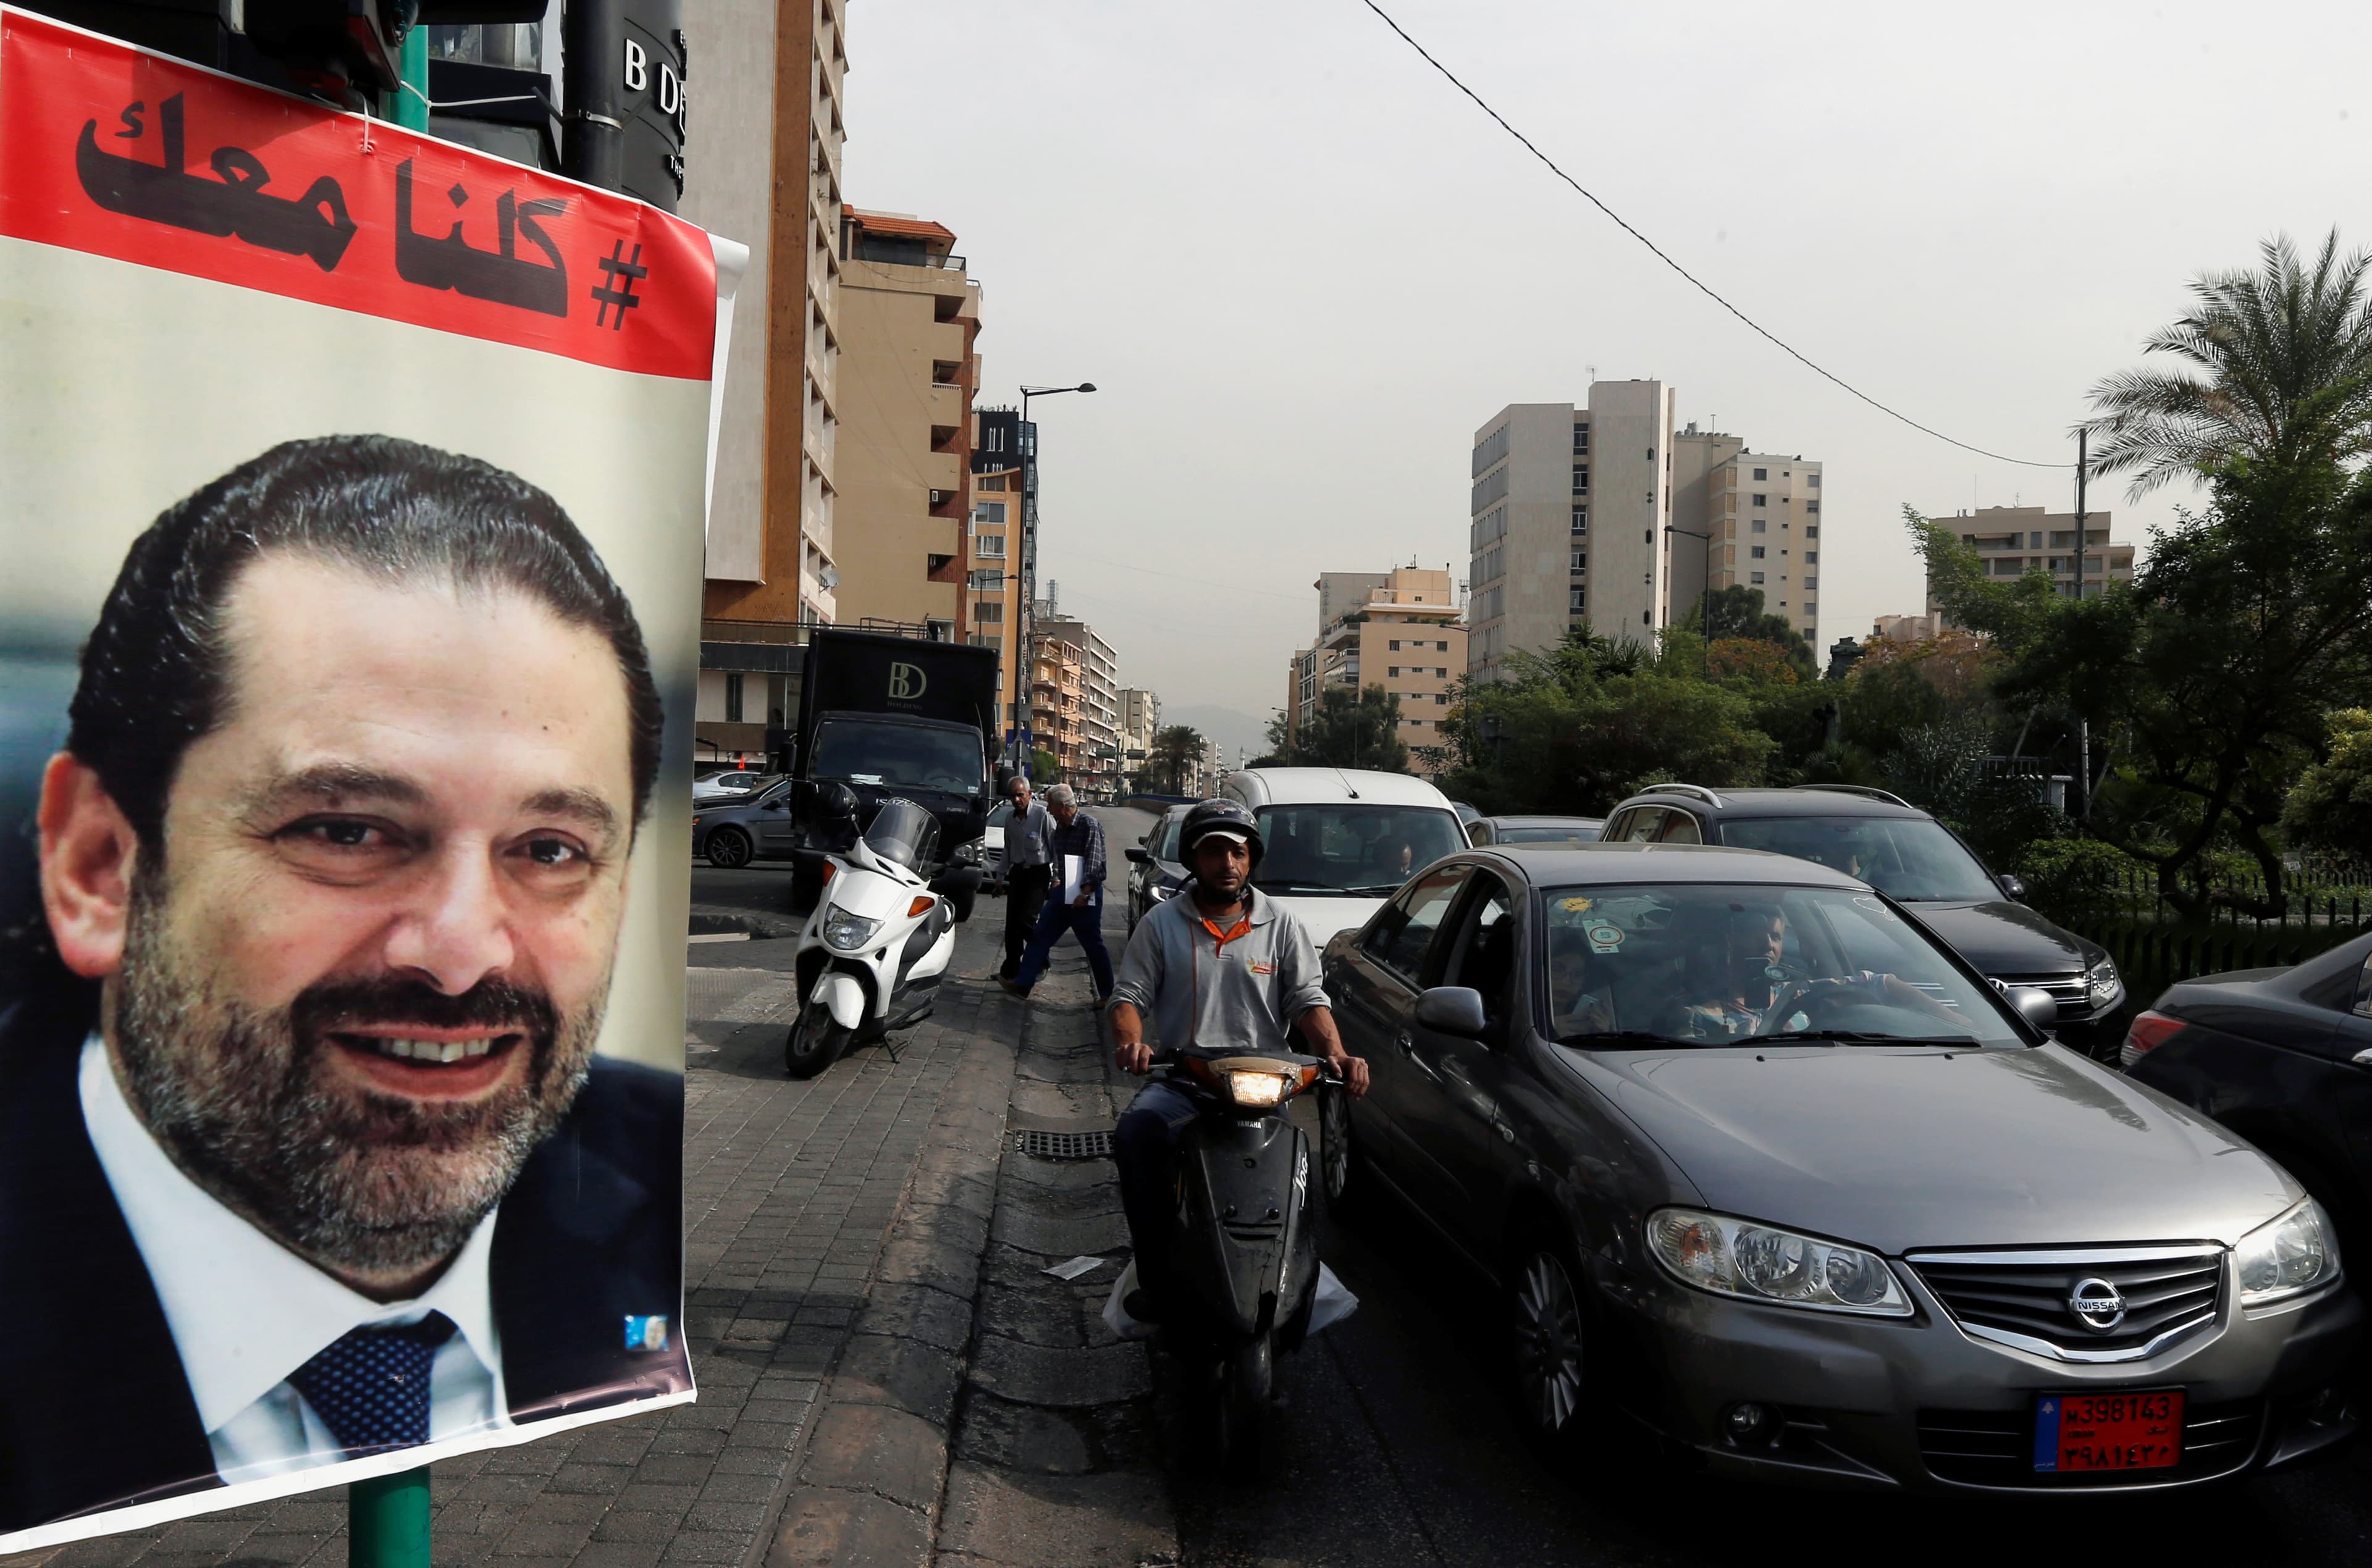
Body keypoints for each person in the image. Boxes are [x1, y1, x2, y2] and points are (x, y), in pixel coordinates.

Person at [0, 436, 688, 1533]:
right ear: (97, 867)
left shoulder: (645, 1172)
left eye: (550, 849)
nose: (463, 953)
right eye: (347, 829)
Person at [1106, 800, 1369, 1318]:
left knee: (1298, 1173)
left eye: (1239, 851)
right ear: (1193, 858)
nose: (1228, 862)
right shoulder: (1162, 923)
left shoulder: (1283, 923)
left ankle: (1294, 1277)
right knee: (1135, 1134)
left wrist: (1336, 1054)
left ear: (1252, 859)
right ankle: (1156, 1274)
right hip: (1184, 1082)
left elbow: (1308, 1001)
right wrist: (1131, 1042)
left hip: (1264, 1086)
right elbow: (1128, 998)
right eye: (1214, 851)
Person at [1668, 904, 1958, 1041]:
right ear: (1730, 943)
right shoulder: (1696, 1012)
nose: (1768, 945)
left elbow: (1881, 983)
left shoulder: (1801, 992)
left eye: (1776, 937)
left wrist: (1959, 1022)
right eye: (1757, 936)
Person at [1001, 783, 1114, 1001]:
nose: (1049, 810)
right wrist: (1057, 883)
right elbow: (1060, 862)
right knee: (1040, 935)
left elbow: (1094, 861)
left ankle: (1108, 995)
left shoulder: (1089, 825)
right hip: (1064, 893)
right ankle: (1023, 984)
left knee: (1092, 945)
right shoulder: (1060, 829)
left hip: (1086, 895)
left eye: (1051, 805)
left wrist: (1086, 893)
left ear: (1063, 806)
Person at [998, 776, 1053, 983]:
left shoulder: (1042, 815)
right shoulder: (1010, 820)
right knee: (1012, 924)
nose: (1017, 800)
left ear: (1030, 795)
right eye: (1013, 796)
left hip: (1038, 874)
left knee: (1028, 921)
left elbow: (1054, 845)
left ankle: (1041, 961)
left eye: (1020, 795)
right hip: (1018, 873)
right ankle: (1011, 968)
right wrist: (1000, 877)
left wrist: (1057, 877)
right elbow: (1008, 849)